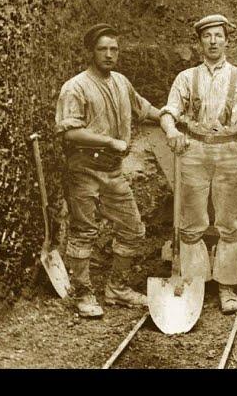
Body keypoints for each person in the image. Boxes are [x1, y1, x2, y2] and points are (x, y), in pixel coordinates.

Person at [160, 14, 237, 314]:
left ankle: (227, 287)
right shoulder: (186, 78)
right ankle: (195, 285)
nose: (213, 41)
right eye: (207, 36)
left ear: (227, 40)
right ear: (199, 42)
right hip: (193, 152)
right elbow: (168, 112)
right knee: (192, 224)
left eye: (218, 35)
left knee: (229, 223)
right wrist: (172, 130)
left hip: (230, 151)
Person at [55, 23, 161, 318]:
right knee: (84, 231)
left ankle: (117, 288)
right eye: (103, 49)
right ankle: (83, 293)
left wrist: (168, 115)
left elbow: (144, 108)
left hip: (113, 172)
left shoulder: (121, 83)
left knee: (133, 229)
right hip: (83, 170)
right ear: (91, 51)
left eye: (114, 49)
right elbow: (70, 133)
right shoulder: (75, 87)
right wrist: (109, 141)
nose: (109, 54)